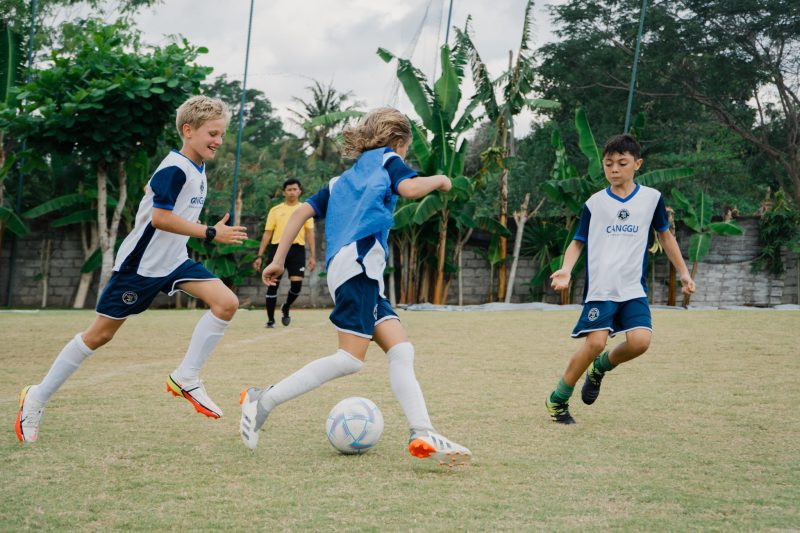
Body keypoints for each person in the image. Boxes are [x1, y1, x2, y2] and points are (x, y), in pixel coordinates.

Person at [239, 107, 472, 466]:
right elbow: (409, 188)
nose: (404, 156)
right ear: (398, 141)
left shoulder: (340, 181)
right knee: (349, 359)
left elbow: (301, 212)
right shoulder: (389, 159)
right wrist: (441, 179)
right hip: (358, 269)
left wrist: (277, 259)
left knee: (401, 350)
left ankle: (422, 432)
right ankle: (263, 400)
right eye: (405, 148)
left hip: (357, 273)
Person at [15, 95, 249, 443]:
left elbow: (153, 196)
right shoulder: (175, 167)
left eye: (221, 134)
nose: (218, 140)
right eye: (212, 133)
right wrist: (210, 231)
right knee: (99, 335)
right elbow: (160, 218)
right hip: (140, 267)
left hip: (173, 261)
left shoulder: (195, 168)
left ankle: (186, 377)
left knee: (226, 303)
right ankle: (37, 396)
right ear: (189, 130)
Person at [545, 133, 696, 424]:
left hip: (632, 288)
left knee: (640, 342)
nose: (614, 169)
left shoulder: (651, 199)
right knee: (594, 343)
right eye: (609, 164)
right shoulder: (595, 203)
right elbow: (578, 241)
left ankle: (600, 368)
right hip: (601, 288)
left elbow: (665, 237)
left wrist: (684, 272)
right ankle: (558, 399)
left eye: (622, 163)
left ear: (637, 164)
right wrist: (566, 269)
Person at [253, 179, 316, 328]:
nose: (292, 192)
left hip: (297, 250)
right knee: (273, 285)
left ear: (300, 191)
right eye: (289, 189)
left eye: (295, 189)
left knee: (296, 285)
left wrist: (313, 256)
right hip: (277, 249)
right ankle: (270, 320)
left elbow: (310, 234)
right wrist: (260, 256)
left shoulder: (305, 210)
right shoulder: (275, 210)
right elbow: (267, 234)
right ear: (284, 192)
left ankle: (286, 306)